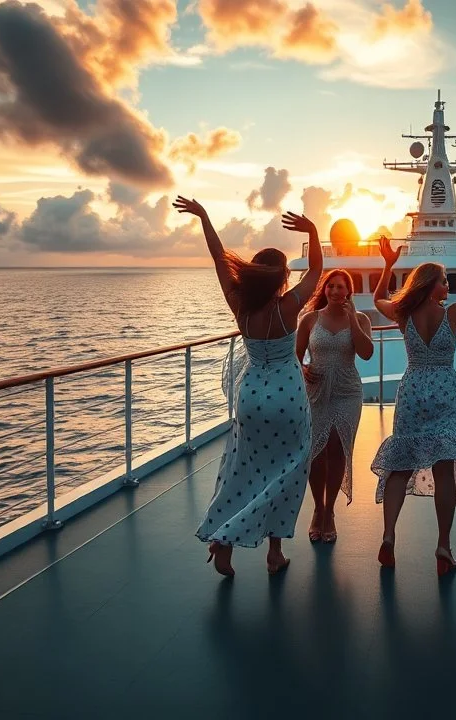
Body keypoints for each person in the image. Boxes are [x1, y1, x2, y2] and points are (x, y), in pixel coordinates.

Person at [175, 195, 323, 576]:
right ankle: (274, 552)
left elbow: (219, 257)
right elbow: (318, 272)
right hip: (289, 396)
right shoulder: (288, 307)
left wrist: (205, 216)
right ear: (282, 277)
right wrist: (314, 232)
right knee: (288, 470)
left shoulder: (239, 303)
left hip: (251, 394)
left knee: (242, 470)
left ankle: (224, 539)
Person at [371, 224, 456, 576]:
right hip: (446, 390)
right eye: (445, 281)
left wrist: (388, 265)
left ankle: (389, 536)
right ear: (431, 284)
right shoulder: (453, 314)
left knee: (401, 465)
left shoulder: (404, 314)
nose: (448, 286)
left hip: (414, 388)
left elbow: (377, 299)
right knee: (444, 468)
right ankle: (443, 545)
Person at [294, 269, 374, 543]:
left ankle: (329, 512)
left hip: (347, 391)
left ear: (348, 292)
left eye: (341, 287)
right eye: (331, 286)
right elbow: (295, 355)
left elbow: (366, 353)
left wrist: (352, 319)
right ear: (324, 290)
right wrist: (304, 368)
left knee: (338, 449)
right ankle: (318, 507)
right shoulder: (309, 319)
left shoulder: (360, 319)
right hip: (316, 392)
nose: (336, 291)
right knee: (316, 452)